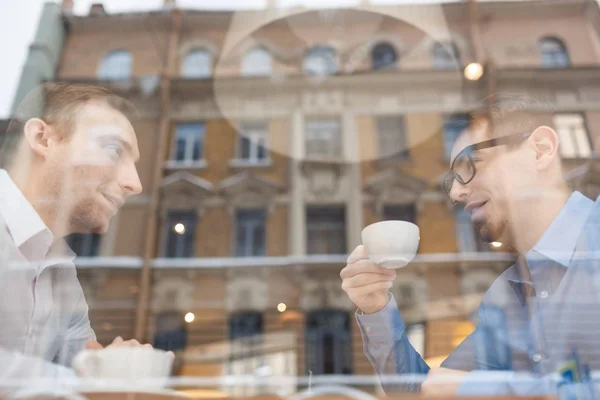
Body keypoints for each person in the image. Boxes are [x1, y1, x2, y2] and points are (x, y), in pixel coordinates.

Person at [341, 94, 600, 396]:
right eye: (452, 180)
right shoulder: (505, 297)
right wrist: (376, 306)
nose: (458, 193)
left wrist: (493, 391)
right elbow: (422, 393)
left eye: (473, 163)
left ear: (540, 150)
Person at [0, 82, 146, 391]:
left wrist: (107, 365)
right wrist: (86, 382)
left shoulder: (61, 271)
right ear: (43, 139)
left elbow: (84, 366)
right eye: (113, 150)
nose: (135, 184)